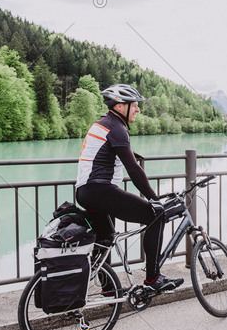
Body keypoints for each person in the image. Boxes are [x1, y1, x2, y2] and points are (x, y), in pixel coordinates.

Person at [75, 84, 183, 293]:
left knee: (104, 239)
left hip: (85, 192)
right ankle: (153, 278)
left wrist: (132, 156)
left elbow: (113, 154)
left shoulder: (104, 123)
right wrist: (154, 199)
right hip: (101, 191)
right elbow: (133, 169)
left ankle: (108, 288)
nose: (138, 109)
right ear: (121, 106)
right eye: (134, 105)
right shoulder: (116, 128)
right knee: (155, 216)